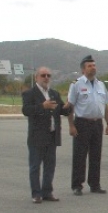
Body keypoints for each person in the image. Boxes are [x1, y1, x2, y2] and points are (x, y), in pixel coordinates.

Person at [22, 67, 72, 203]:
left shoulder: (54, 94)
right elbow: (26, 110)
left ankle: (47, 191)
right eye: (43, 75)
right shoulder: (30, 94)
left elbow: (63, 111)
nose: (46, 78)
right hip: (36, 137)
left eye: (48, 75)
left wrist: (69, 106)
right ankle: (36, 194)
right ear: (36, 78)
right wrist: (42, 106)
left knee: (50, 166)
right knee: (35, 166)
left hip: (51, 136)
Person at [67, 54, 108, 195]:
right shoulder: (76, 84)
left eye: (94, 65)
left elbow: (104, 105)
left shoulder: (101, 84)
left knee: (96, 155)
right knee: (80, 155)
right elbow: (70, 106)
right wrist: (71, 125)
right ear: (83, 70)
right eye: (89, 66)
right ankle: (77, 185)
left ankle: (95, 184)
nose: (93, 68)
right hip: (82, 123)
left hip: (97, 123)